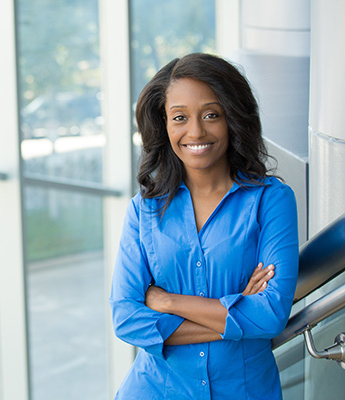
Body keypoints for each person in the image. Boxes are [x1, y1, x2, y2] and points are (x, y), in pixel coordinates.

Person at [109, 53, 299, 399]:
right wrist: (238, 311)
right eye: (179, 117)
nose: (195, 131)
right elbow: (125, 317)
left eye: (211, 115)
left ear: (233, 118)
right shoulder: (144, 211)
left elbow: (271, 314)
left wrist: (167, 302)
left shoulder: (271, 201)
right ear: (164, 125)